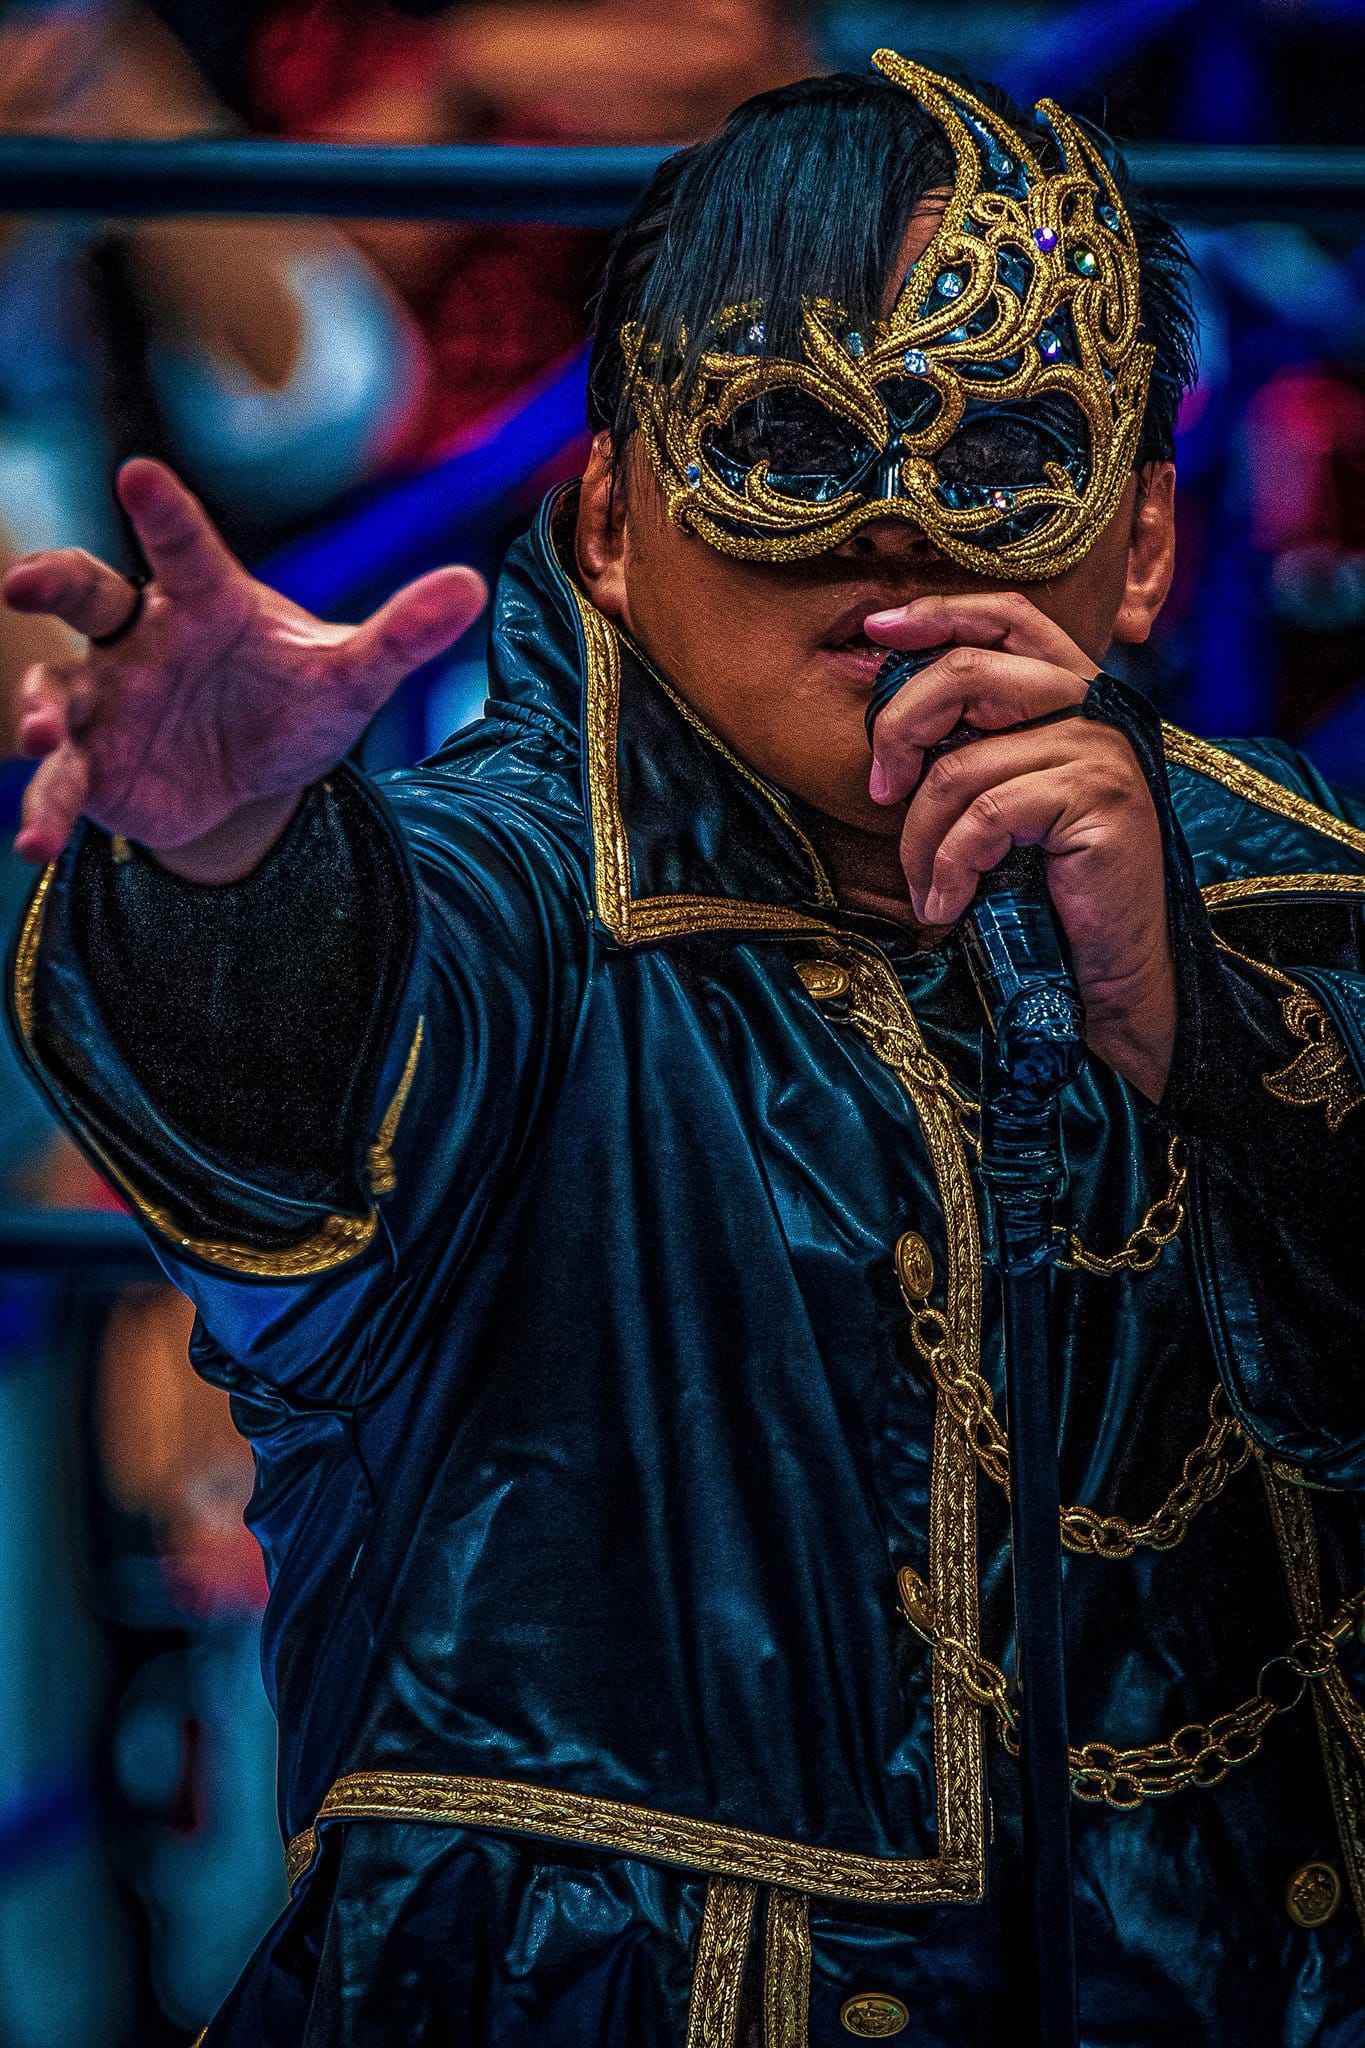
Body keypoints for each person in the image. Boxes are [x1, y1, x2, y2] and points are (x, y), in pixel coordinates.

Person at [8, 52, 1365, 2047]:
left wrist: (1206, 1034)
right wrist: (225, 863)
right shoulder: (508, 909)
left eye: (1005, 451)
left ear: (1147, 543)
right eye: (788, 442)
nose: (896, 530)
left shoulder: (1297, 896)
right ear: (612, 519)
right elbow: (312, 1060)